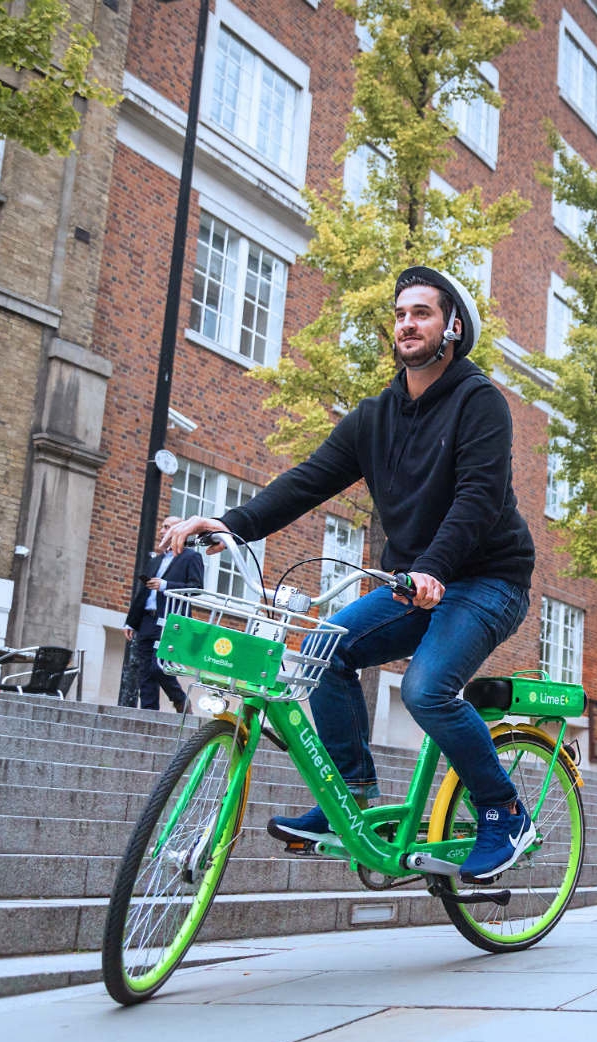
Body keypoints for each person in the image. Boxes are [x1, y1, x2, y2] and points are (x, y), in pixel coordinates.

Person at [164, 266, 537, 884]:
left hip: (488, 580)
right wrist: (229, 524)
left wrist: (434, 570)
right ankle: (353, 790)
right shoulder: (375, 416)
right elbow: (309, 480)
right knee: (322, 650)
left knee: (426, 690)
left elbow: (477, 498)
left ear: (453, 327)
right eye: (400, 314)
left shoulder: (481, 403)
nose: (407, 324)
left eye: (422, 312)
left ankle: (504, 811)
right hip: (418, 582)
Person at [123, 514, 204, 714]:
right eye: (161, 526)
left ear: (180, 531)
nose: (161, 530)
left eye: (166, 526)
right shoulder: (156, 560)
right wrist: (131, 622)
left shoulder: (191, 557)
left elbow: (196, 588)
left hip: (171, 620)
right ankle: (149, 714)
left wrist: (166, 585)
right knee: (144, 671)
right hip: (146, 620)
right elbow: (144, 592)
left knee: (157, 667)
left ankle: (180, 699)